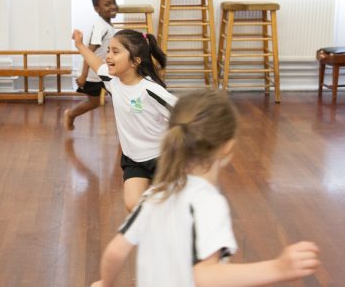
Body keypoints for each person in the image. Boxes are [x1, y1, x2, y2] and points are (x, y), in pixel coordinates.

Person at [91, 90, 321, 287]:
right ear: (227, 147)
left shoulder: (155, 194)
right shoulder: (208, 202)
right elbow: (205, 276)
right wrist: (278, 268)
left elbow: (115, 252)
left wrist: (105, 283)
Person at [72, 28, 177, 211]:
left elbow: (184, 114)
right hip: (134, 159)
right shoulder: (113, 81)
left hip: (163, 158)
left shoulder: (150, 90)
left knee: (171, 208)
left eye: (115, 51)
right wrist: (80, 45)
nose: (108, 56)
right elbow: (95, 63)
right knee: (132, 206)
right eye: (108, 51)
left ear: (135, 61)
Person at [64, 0, 118, 131]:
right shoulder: (100, 27)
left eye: (114, 2)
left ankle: (125, 132)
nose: (113, 6)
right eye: (107, 4)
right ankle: (71, 114)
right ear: (97, 9)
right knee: (93, 103)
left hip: (106, 73)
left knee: (118, 101)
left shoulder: (107, 25)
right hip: (94, 75)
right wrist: (83, 76)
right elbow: (89, 53)